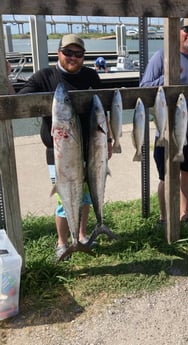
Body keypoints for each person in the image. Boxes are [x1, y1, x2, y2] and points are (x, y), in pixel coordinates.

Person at [18, 34, 113, 259]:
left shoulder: (91, 76)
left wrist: (108, 141)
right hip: (59, 154)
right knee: (64, 200)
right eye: (68, 52)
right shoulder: (44, 76)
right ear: (58, 52)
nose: (72, 57)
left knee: (86, 197)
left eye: (78, 54)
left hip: (90, 151)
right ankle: (63, 243)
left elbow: (101, 112)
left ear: (83, 56)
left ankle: (81, 236)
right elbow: (19, 102)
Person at [140, 18, 188, 224]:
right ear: (176, 31)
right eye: (187, 29)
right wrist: (167, 77)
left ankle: (183, 215)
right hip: (167, 131)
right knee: (166, 177)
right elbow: (143, 87)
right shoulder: (162, 56)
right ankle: (164, 217)